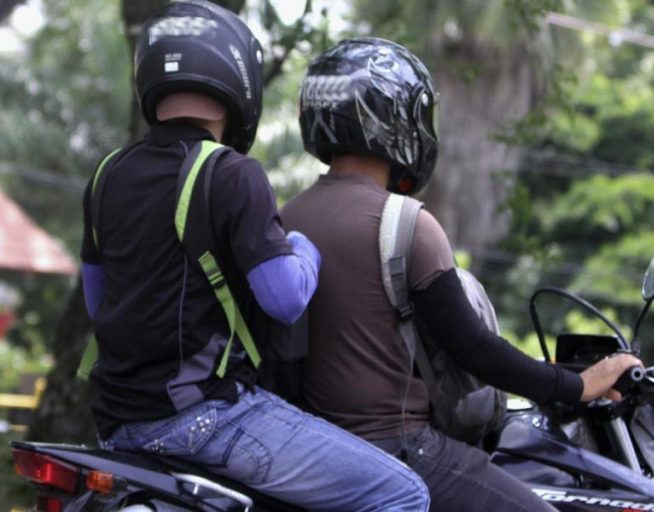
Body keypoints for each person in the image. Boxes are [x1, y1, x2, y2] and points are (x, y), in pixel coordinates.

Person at [79, 4, 429, 511]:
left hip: (117, 425)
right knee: (400, 493)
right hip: (206, 419)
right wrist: (304, 249)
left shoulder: (107, 173)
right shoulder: (232, 172)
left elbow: (98, 301)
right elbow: (284, 299)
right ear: (239, 82)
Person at [282, 37, 642, 511]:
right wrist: (578, 385)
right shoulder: (406, 224)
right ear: (396, 119)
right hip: (399, 450)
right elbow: (475, 349)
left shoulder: (284, 220)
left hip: (313, 455)